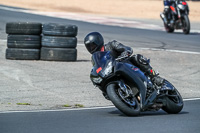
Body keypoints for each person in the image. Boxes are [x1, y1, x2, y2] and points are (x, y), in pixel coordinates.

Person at [84, 32, 164, 86]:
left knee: (137, 58)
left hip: (127, 65)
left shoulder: (111, 45)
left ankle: (154, 77)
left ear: (98, 41)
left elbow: (126, 49)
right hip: (114, 73)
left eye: (92, 46)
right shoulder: (97, 58)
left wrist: (125, 53)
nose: (91, 48)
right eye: (88, 47)